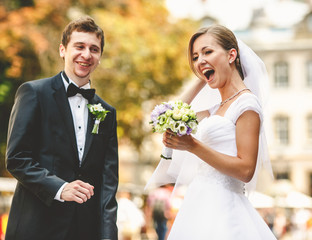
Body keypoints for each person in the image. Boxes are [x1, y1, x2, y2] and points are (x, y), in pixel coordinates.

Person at [147, 25, 276, 239]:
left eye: (207, 52)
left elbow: (245, 169)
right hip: (198, 203)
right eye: (196, 57)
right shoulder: (215, 109)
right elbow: (166, 115)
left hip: (225, 207)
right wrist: (202, 76)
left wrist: (192, 145)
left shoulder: (247, 105)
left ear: (231, 55)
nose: (199, 60)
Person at [5, 16, 119, 240]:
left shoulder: (107, 112)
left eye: (94, 49)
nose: (86, 54)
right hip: (35, 228)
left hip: (85, 231)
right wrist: (59, 188)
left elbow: (108, 184)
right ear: (62, 50)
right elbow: (16, 158)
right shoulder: (33, 93)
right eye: (79, 46)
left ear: (100, 57)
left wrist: (108, 236)